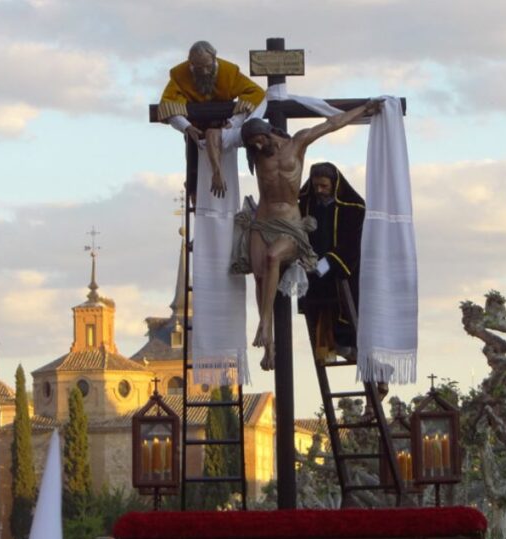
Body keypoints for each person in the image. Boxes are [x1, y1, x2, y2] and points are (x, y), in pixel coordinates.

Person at [217, 99, 382, 370]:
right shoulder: (255, 151)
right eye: (252, 146)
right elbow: (216, 137)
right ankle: (268, 347)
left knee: (272, 258)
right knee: (259, 276)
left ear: (269, 132)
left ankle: (264, 324)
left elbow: (332, 124)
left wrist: (364, 109)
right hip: (262, 222)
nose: (257, 148)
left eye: (259, 141)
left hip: (290, 225)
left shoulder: (299, 143)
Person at [296, 162, 365, 363]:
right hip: (310, 270)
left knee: (342, 313)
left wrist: (324, 266)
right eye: (316, 186)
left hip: (338, 271)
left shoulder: (354, 207)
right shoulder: (304, 203)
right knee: (316, 311)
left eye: (324, 186)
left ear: (334, 184)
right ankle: (326, 347)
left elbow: (351, 244)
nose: (319, 191)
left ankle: (346, 345)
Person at [157, 41, 266, 144]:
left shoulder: (229, 71)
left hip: (225, 130)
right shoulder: (180, 74)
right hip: (195, 132)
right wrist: (187, 127)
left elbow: (256, 93)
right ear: (191, 63)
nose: (204, 72)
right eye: (199, 68)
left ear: (214, 59)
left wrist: (233, 124)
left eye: (208, 66)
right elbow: (168, 104)